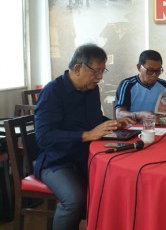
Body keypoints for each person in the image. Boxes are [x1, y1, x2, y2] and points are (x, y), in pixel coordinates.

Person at [34, 43, 134, 230]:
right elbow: (44, 136)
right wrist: (87, 135)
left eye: (103, 72)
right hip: (57, 162)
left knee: (116, 185)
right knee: (74, 199)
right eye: (96, 72)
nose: (100, 78)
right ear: (78, 68)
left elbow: (94, 121)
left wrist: (113, 123)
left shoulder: (91, 89)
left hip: (85, 157)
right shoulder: (52, 92)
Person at [115, 50, 166, 122]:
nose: (154, 75)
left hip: (159, 127)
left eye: (158, 71)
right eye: (150, 70)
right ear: (139, 67)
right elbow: (119, 114)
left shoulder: (164, 85)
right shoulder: (127, 84)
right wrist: (139, 115)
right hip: (133, 128)